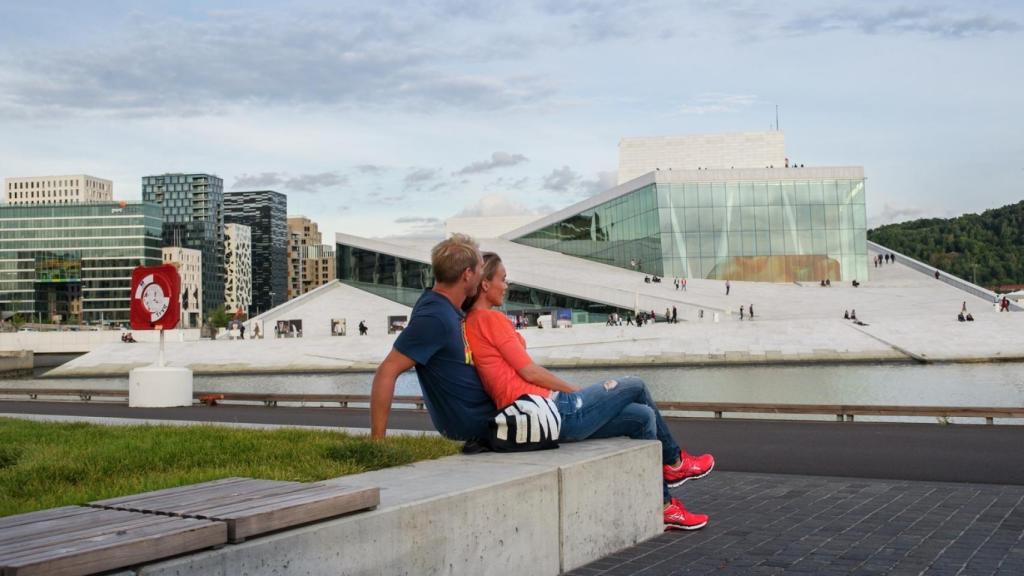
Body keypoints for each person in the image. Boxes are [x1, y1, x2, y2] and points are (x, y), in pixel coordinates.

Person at [465, 252, 714, 531]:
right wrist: (577, 393)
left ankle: (664, 507)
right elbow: (529, 372)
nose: (506, 285)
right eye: (503, 278)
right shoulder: (490, 320)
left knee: (643, 417)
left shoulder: (472, 323)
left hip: (540, 418)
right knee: (635, 384)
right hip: (554, 409)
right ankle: (676, 462)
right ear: (485, 284)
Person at [370, 234, 495, 444]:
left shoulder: (445, 308)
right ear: (467, 274)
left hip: (492, 417)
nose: (483, 276)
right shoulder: (435, 317)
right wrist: (377, 442)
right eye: (481, 268)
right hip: (483, 425)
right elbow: (386, 371)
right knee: (568, 413)